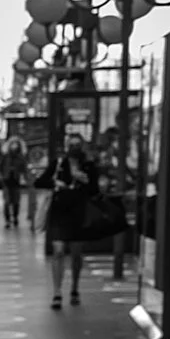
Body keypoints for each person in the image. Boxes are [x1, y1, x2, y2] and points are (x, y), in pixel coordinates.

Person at [44, 132, 100, 308]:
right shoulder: (59, 164)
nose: (74, 148)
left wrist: (85, 180)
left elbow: (95, 190)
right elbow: (41, 181)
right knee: (58, 250)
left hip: (79, 211)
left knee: (76, 252)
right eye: (71, 144)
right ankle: (57, 292)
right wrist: (55, 183)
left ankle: (75, 287)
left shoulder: (89, 166)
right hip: (60, 211)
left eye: (78, 144)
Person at [1, 132, 28, 228]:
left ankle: (15, 217)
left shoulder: (21, 157)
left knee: (16, 202)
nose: (14, 146)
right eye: (12, 144)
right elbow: (0, 167)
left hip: (16, 181)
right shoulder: (5, 156)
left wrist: (26, 179)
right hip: (6, 180)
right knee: (7, 202)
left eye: (16, 144)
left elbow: (24, 169)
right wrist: (0, 177)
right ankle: (7, 220)